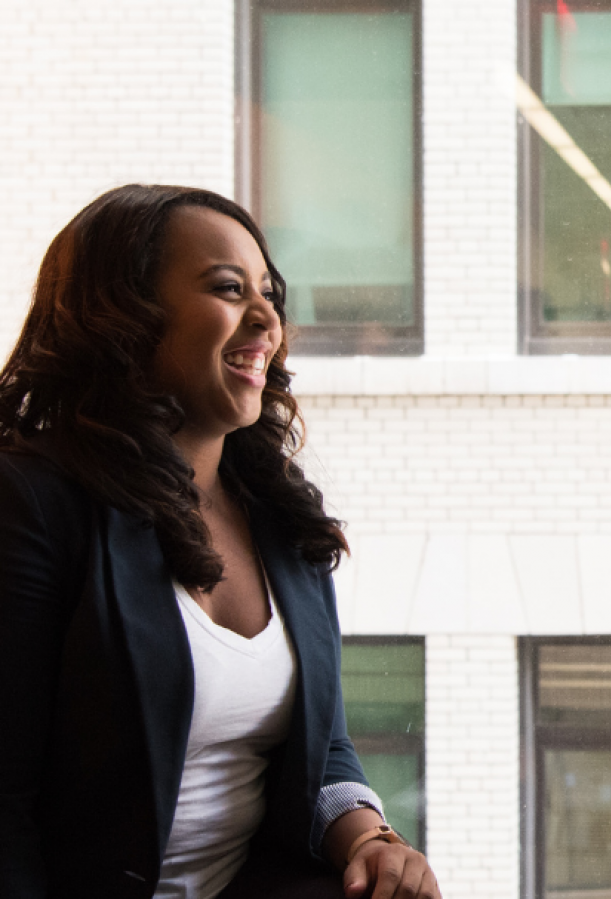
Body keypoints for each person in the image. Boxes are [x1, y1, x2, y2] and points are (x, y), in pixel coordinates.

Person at [0, 185, 440, 899]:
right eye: (229, 289)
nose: (267, 318)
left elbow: (321, 745)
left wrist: (370, 836)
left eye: (271, 293)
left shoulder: (279, 512)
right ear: (123, 317)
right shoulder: (33, 502)